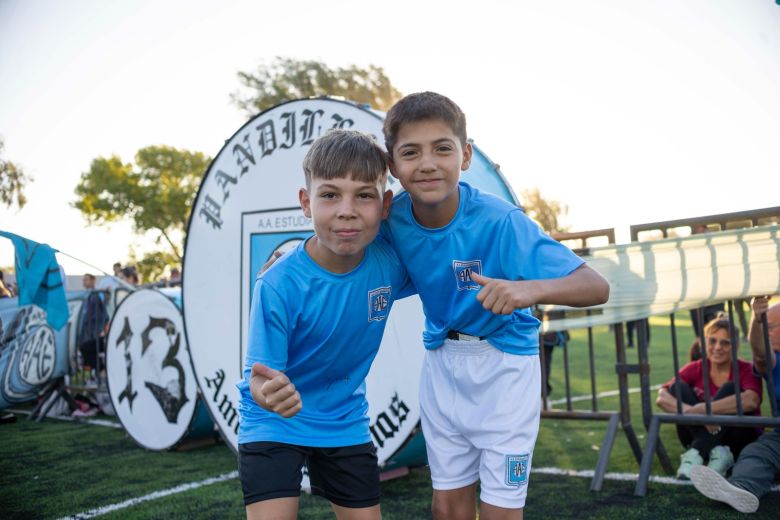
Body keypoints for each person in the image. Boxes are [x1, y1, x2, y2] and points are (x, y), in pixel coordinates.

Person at [381, 92, 610, 519]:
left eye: (442, 148)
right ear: (393, 166)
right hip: (441, 365)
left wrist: (529, 291)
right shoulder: (390, 218)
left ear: (465, 156)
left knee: (501, 511)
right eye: (411, 152)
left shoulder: (500, 220)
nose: (427, 163)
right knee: (447, 507)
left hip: (504, 370)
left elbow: (595, 286)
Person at [237, 129, 413, 520]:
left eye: (364, 195)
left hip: (343, 420)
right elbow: (259, 376)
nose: (346, 210)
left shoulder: (391, 263)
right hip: (274, 422)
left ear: (385, 205)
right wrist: (271, 393)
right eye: (330, 194)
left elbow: (440, 238)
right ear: (306, 202)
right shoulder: (279, 283)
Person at [690, 296, 780, 513]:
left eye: (770, 327)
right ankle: (740, 488)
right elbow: (760, 352)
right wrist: (757, 320)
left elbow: (751, 399)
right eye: (764, 327)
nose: (766, 332)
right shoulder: (774, 359)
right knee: (756, 453)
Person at [655, 314, 762, 480]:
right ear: (703, 343)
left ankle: (696, 454)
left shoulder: (746, 369)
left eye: (725, 342)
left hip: (737, 438)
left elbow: (751, 401)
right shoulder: (696, 367)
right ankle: (714, 454)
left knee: (730, 388)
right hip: (696, 433)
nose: (717, 347)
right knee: (678, 387)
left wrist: (705, 410)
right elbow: (662, 396)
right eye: (712, 341)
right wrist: (693, 412)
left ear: (736, 346)